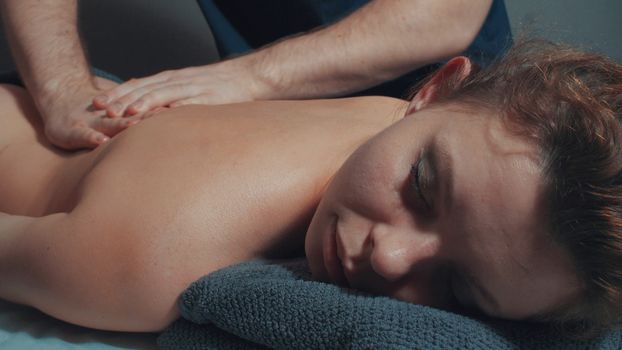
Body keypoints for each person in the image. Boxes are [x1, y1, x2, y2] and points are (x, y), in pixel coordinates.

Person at [0, 40, 620, 338]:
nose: (389, 257)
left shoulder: (421, 122)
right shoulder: (149, 264)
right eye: (422, 186)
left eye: (459, 288)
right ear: (432, 89)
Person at [0, 0, 511, 150]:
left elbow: (445, 12)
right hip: (264, 126)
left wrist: (250, 79)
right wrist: (61, 88)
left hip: (456, 131)